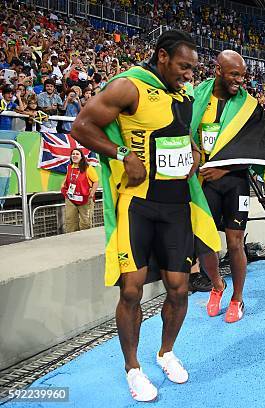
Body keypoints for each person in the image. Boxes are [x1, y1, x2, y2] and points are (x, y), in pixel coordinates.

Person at [71, 30, 220, 402]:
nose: (189, 74)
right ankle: (133, 368)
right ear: (162, 57)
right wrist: (123, 153)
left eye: (194, 69)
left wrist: (193, 157)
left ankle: (166, 352)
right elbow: (82, 126)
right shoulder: (130, 87)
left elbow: (178, 137)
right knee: (132, 291)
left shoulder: (183, 97)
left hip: (176, 208)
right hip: (137, 206)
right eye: (184, 67)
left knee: (179, 289)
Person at [192, 50, 265, 323]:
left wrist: (224, 167)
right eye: (234, 74)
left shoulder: (249, 106)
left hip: (235, 181)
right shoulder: (197, 97)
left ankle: (237, 298)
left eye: (243, 75)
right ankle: (217, 285)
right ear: (218, 70)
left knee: (235, 242)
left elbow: (256, 147)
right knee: (202, 240)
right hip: (203, 182)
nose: (240, 80)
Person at [61, 148, 98, 232]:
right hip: (71, 198)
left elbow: (96, 181)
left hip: (85, 198)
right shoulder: (69, 167)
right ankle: (72, 241)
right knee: (70, 221)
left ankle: (84, 242)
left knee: (85, 222)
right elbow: (67, 177)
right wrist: (62, 185)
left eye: (77, 154)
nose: (74, 155)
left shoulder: (88, 168)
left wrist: (91, 194)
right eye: (73, 154)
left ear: (81, 157)